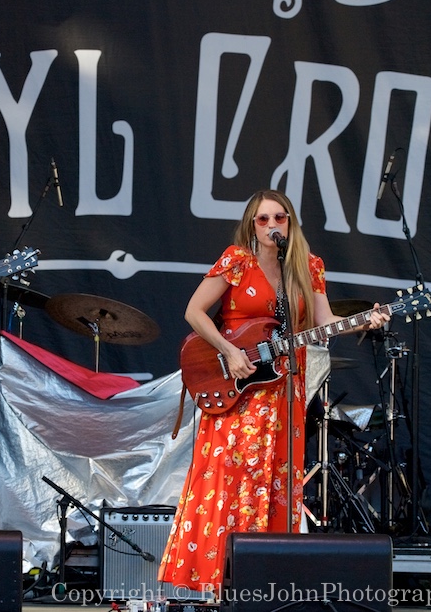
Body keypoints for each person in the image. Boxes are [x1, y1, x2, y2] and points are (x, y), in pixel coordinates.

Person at [158, 189, 388, 594]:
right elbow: (193, 312)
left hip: (284, 389)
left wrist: (363, 320)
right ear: (251, 225)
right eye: (262, 220)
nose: (270, 226)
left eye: (278, 218)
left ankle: (266, 578)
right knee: (232, 478)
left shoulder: (307, 267)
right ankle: (217, 578)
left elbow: (323, 320)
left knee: (279, 478)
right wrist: (229, 351)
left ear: (290, 223)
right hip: (238, 387)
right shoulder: (236, 261)